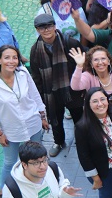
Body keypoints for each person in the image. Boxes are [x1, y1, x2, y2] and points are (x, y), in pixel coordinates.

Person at [0, 45, 48, 198]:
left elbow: (34, 95)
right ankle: (3, 194)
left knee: (36, 157)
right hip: (11, 130)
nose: (11, 61)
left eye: (14, 57)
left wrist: (42, 116)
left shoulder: (23, 74)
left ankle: (36, 188)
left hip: (32, 123)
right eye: (7, 57)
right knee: (10, 162)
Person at [29, 14, 85, 158]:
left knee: (78, 117)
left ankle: (82, 140)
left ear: (55, 26)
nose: (46, 30)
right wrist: (40, 99)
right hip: (51, 94)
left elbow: (83, 65)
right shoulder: (35, 50)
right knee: (55, 120)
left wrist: (83, 87)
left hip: (71, 90)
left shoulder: (70, 43)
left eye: (49, 26)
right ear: (37, 30)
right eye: (42, 27)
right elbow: (36, 76)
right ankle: (59, 142)